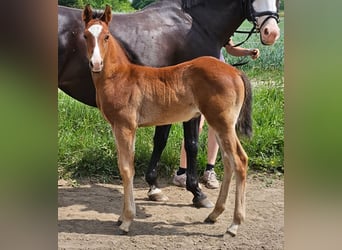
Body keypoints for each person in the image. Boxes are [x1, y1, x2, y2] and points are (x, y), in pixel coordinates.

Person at [173, 38, 260, 189]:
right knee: (196, 127)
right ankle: (182, 171)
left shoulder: (219, 30)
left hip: (218, 79)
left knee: (216, 127)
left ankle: (209, 169)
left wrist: (247, 52)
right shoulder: (197, 29)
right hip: (199, 79)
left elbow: (230, 48)